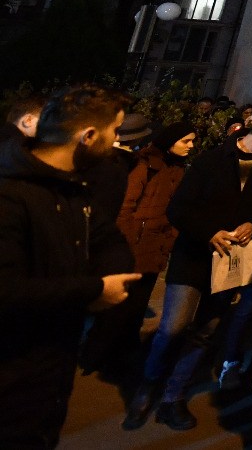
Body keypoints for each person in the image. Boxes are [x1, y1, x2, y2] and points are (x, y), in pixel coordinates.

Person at [127, 112, 252, 431]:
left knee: (205, 331)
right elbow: (178, 209)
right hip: (194, 257)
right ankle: (148, 384)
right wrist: (209, 232)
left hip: (231, 261)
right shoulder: (210, 161)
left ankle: (173, 397)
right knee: (173, 327)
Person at [0, 84, 140, 450]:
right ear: (88, 136)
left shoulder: (75, 187)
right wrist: (95, 292)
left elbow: (110, 242)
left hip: (48, 378)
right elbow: (7, 290)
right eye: (115, 131)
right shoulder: (10, 193)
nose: (117, 141)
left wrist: (106, 282)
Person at [82, 121, 197, 376]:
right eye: (185, 141)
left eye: (192, 141)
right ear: (170, 141)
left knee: (136, 305)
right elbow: (125, 208)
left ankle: (122, 355)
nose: (191, 146)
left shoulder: (177, 168)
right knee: (118, 308)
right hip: (134, 246)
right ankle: (95, 356)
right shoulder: (145, 166)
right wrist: (125, 246)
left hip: (155, 245)